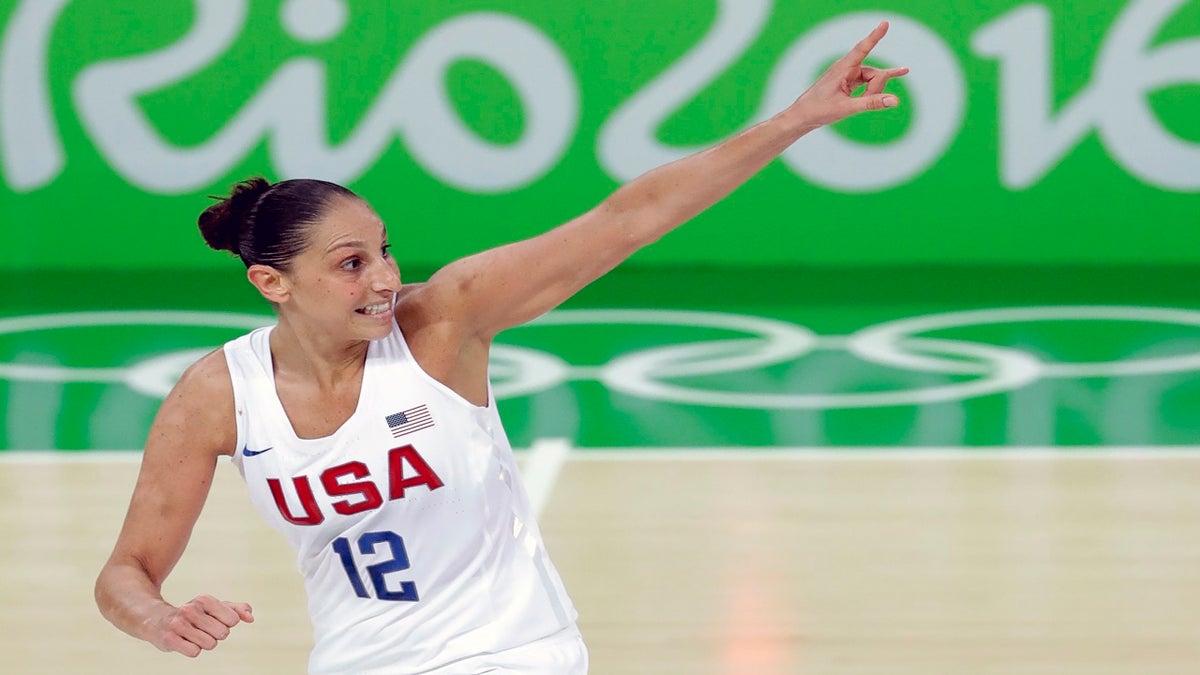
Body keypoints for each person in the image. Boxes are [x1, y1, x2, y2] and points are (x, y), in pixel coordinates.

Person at [94, 21, 908, 674]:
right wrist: (159, 617)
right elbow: (124, 572)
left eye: (384, 248)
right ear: (273, 284)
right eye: (350, 264)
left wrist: (798, 120)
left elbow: (628, 218)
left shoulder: (442, 322)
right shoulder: (219, 393)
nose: (384, 276)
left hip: (514, 654)